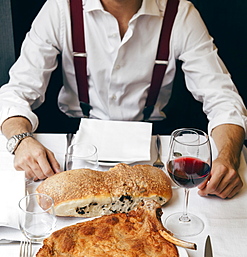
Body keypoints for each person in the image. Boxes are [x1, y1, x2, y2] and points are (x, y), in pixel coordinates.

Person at [0, 0, 246, 199]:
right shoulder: (60, 9)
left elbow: (223, 99)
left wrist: (228, 156)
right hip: (74, 146)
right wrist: (20, 140)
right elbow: (16, 91)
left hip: (153, 150)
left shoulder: (179, 13)